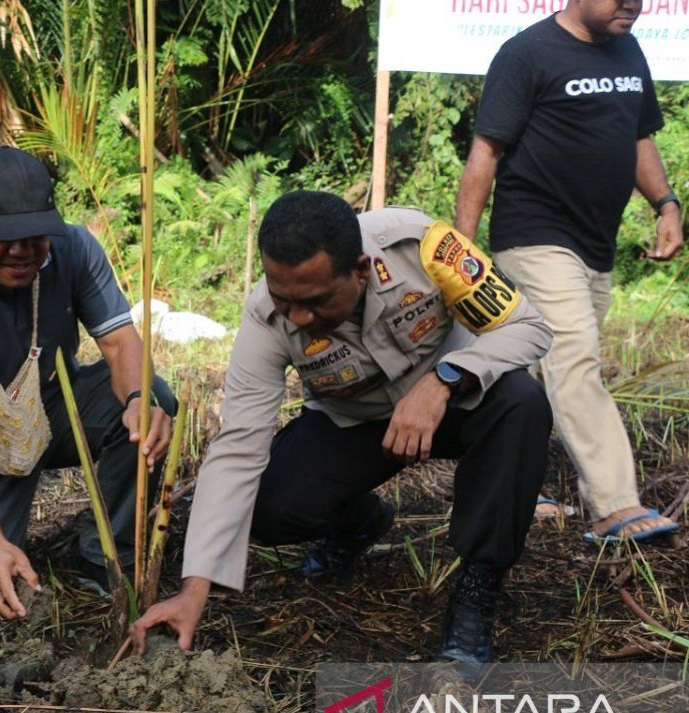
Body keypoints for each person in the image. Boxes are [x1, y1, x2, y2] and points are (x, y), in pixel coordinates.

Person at [130, 192, 553, 666]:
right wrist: (194, 590)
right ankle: (360, 521)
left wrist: (444, 380)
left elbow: (529, 327)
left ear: (361, 270)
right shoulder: (265, 316)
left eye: (315, 302)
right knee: (270, 506)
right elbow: (237, 449)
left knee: (522, 404)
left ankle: (478, 588)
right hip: (358, 423)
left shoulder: (424, 247)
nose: (299, 319)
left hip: (456, 402)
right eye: (283, 299)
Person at [455, 0, 683, 545]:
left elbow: (639, 137)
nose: (633, 4)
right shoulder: (527, 53)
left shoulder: (628, 50)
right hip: (534, 234)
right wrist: (460, 247)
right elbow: (486, 152)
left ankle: (511, 484)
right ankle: (614, 506)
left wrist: (666, 202)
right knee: (575, 357)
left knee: (529, 371)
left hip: (594, 244)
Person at [0, 146, 175, 619]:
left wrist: (138, 399)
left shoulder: (73, 249)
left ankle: (106, 553)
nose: (23, 252)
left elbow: (119, 344)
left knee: (155, 396)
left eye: (36, 236)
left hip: (55, 409)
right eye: (7, 237)